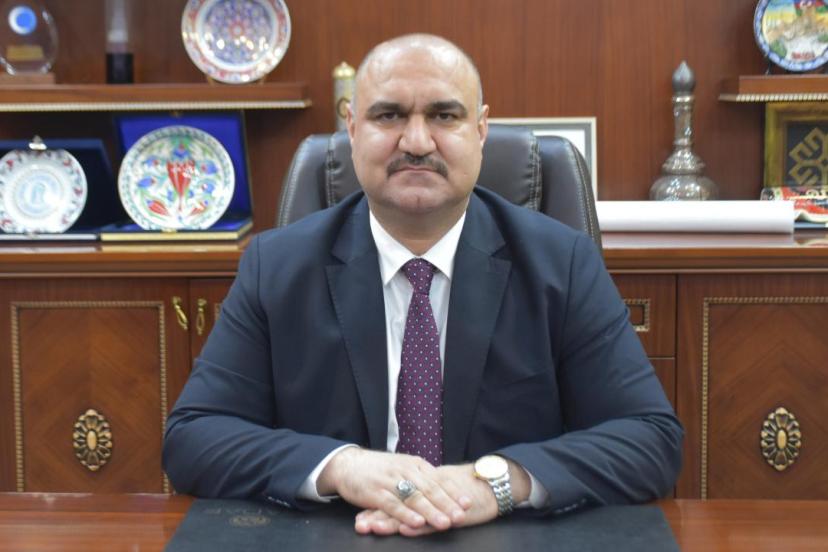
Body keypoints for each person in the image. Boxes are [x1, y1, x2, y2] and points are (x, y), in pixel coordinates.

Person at [163, 33, 682, 538]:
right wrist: (341, 467)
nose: (416, 142)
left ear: (480, 129)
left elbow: (650, 439)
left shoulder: (561, 264)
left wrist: (497, 482)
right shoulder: (276, 266)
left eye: (444, 115)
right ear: (352, 129)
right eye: (388, 115)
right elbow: (193, 437)